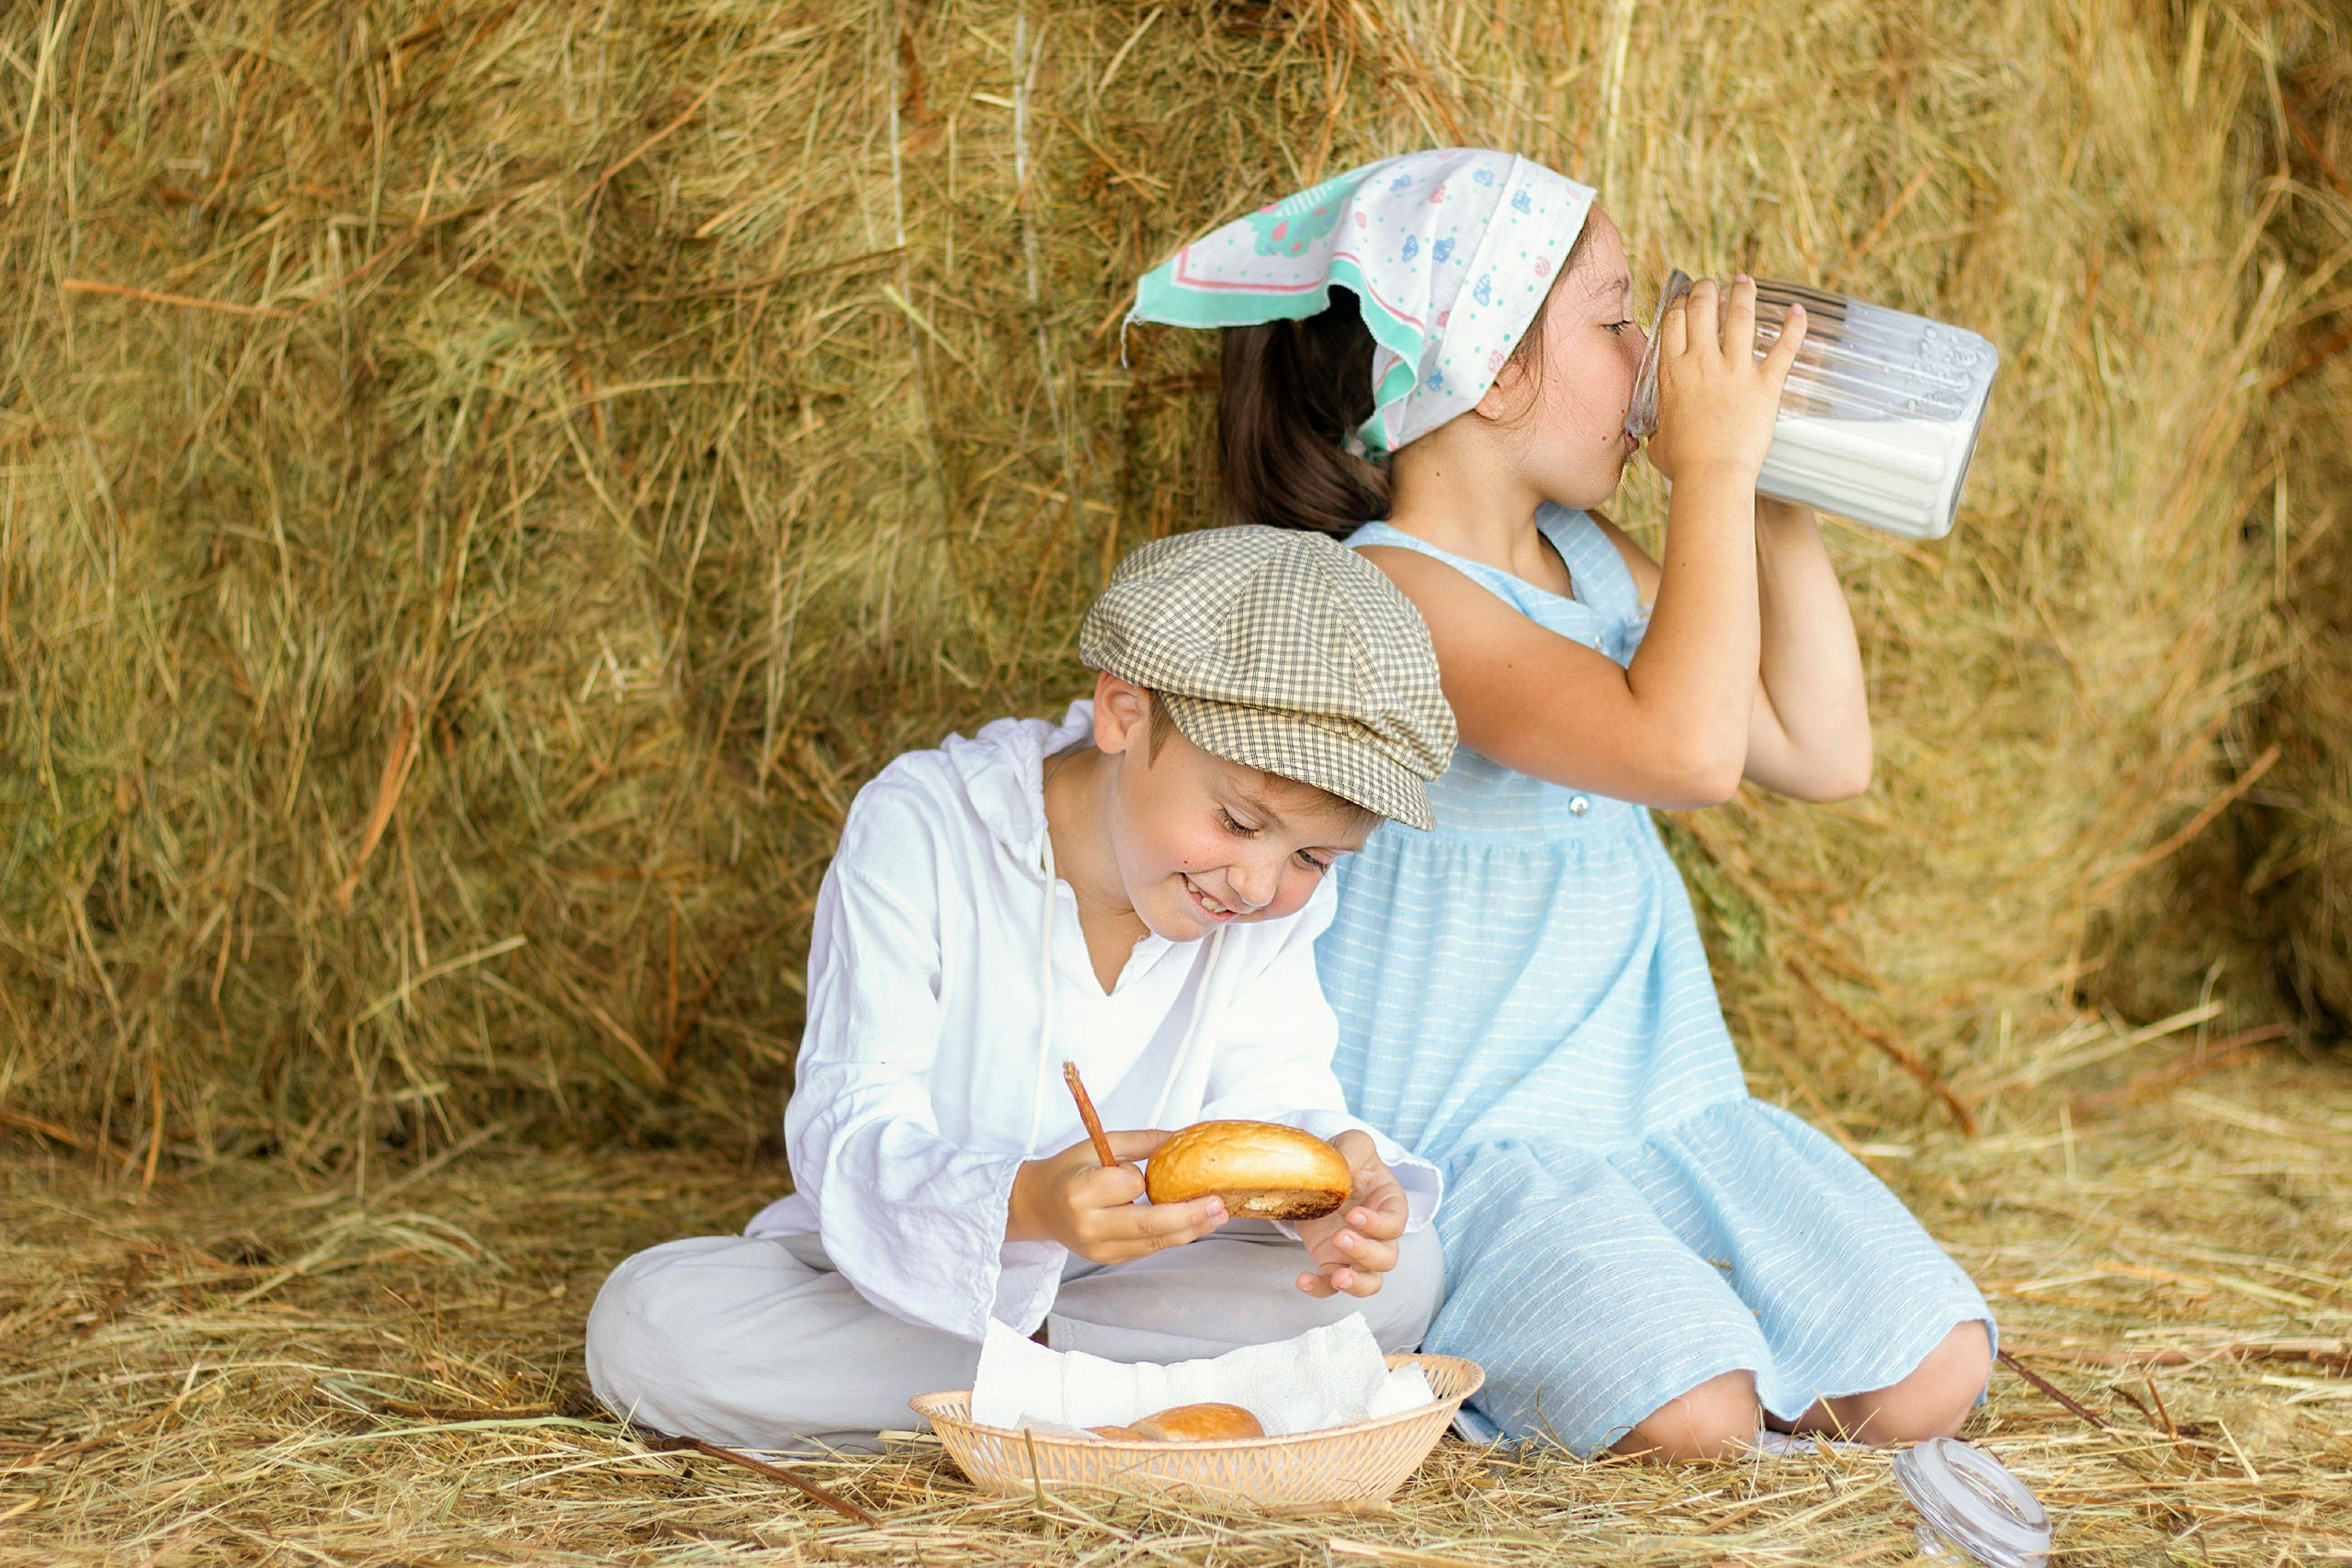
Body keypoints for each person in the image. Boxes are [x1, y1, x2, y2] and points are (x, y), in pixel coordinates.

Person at [1128, 147, 1994, 1459]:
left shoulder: (1586, 558)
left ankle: (1681, 1318)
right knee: (1693, 1420)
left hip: (1658, 1111)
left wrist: (1771, 492)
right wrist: (1704, 474)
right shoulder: (1398, 598)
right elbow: (1687, 750)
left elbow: (1820, 750)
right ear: (1481, 366)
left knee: (1930, 1375)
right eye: (1615, 316)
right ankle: (1590, 1341)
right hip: (1484, 1146)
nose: (1649, 352)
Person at [586, 526, 1460, 1451]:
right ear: (1123, 712)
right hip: (922, 1279)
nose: (1256, 886)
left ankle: (1009, 1399)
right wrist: (1028, 1206)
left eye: (1312, 857)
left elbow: (1269, 1092)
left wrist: (1330, 1203)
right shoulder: (921, 824)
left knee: (1408, 1277)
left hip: (1145, 1283)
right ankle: (1125, 1394)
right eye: (1238, 821)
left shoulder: (1265, 907)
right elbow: (849, 1126)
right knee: (648, 1325)